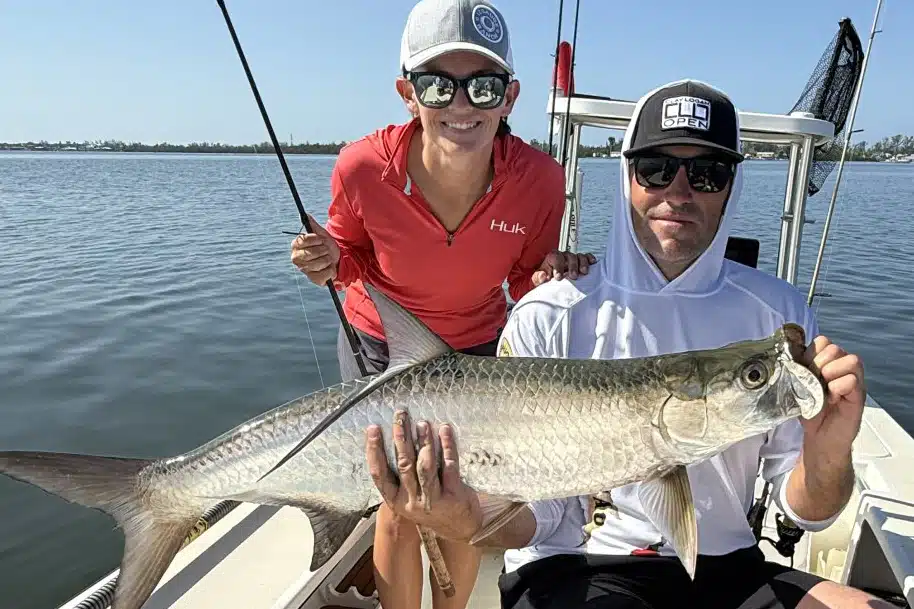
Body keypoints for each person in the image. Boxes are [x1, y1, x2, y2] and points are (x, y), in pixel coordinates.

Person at [363, 80, 892, 609]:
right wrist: (469, 520)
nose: (679, 193)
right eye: (656, 169)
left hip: (730, 567)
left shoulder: (778, 313)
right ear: (626, 176)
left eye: (708, 174)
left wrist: (827, 453)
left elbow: (806, 512)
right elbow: (545, 517)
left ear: (730, 187)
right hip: (577, 565)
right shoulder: (549, 313)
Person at [290, 1, 594, 607]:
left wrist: (553, 275)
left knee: (463, 499)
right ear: (408, 93)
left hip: (475, 351)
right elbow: (352, 257)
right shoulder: (360, 168)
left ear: (509, 97)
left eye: (482, 86)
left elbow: (523, 282)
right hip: (380, 344)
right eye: (438, 85)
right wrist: (328, 260)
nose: (461, 106)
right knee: (400, 503)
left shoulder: (541, 180)